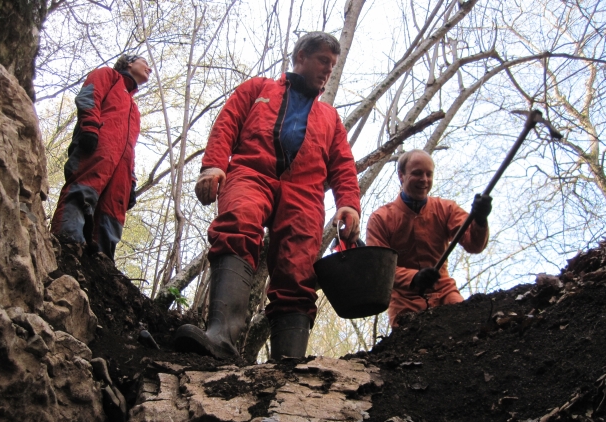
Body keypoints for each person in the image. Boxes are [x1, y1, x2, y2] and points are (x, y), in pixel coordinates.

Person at [174, 32, 361, 360]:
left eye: (332, 66)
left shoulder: (330, 118)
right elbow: (226, 124)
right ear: (301, 57)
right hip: (251, 172)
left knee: (298, 268)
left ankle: (289, 363)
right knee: (237, 224)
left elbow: (343, 164)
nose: (328, 70)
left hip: (305, 193)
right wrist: (214, 167)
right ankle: (220, 336)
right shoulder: (258, 89)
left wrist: (348, 204)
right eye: (322, 61)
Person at [366, 149, 492, 327]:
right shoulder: (381, 219)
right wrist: (413, 277)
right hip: (404, 302)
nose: (424, 180)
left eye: (428, 174)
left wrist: (480, 220)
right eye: (417, 173)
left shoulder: (446, 209)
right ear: (401, 176)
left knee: (469, 327)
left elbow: (474, 245)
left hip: (445, 293)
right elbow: (380, 270)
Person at [51, 54, 151, 259]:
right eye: (146, 63)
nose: (149, 68)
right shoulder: (108, 75)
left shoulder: (134, 108)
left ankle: (101, 266)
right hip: (97, 147)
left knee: (112, 214)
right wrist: (89, 127)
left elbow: (130, 147)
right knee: (83, 192)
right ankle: (66, 249)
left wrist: (131, 180)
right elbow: (89, 96)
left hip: (121, 169)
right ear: (130, 62)